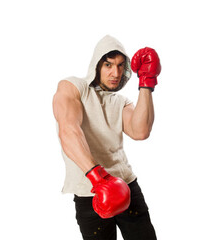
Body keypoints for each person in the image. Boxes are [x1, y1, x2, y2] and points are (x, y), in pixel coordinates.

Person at [52, 35, 161, 240]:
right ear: (96, 65)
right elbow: (68, 130)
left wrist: (146, 82)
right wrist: (99, 179)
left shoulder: (120, 101)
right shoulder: (73, 87)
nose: (116, 73)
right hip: (91, 192)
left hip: (127, 187)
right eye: (108, 65)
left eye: (121, 66)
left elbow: (141, 131)